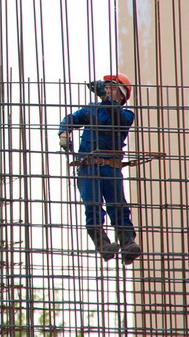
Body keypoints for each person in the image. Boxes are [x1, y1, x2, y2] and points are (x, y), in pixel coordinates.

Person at [58, 73, 142, 265]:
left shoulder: (126, 115)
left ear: (122, 96)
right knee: (93, 207)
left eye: (112, 88)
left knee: (118, 206)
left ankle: (128, 243)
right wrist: (64, 131)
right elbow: (71, 118)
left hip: (111, 168)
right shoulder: (91, 110)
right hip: (89, 168)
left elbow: (116, 115)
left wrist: (105, 97)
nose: (107, 90)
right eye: (106, 87)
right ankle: (103, 245)